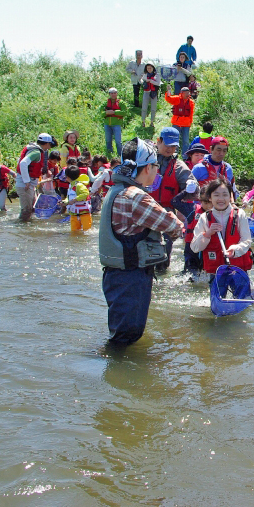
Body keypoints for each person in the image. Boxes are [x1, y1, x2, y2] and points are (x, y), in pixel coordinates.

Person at [99, 138, 183, 345]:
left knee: (122, 333)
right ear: (147, 168)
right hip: (131, 277)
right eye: (156, 166)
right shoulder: (135, 196)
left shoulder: (115, 189)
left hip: (116, 275)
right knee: (126, 336)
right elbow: (174, 227)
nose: (157, 171)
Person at [152, 127, 197, 269]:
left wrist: (191, 186)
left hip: (167, 212)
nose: (170, 149)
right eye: (167, 145)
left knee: (164, 254)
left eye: (173, 146)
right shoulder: (146, 160)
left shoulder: (179, 166)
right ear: (158, 141)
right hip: (144, 207)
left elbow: (196, 190)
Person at [190, 178, 254, 278]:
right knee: (217, 294)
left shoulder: (239, 214)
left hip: (238, 268)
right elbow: (195, 247)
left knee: (243, 294)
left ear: (230, 197)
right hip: (215, 270)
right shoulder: (204, 218)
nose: (221, 199)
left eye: (225, 195)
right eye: (216, 195)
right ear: (210, 198)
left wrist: (235, 250)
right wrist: (207, 234)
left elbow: (246, 241)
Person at [15, 133, 58, 222]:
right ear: (46, 143)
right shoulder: (36, 152)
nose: (49, 148)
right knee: (26, 211)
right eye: (49, 145)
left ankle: (27, 227)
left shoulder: (34, 149)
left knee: (33, 208)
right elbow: (23, 163)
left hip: (29, 183)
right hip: (25, 184)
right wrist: (26, 181)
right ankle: (21, 230)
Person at [182, 190, 209, 276]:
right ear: (200, 200)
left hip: (206, 245)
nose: (208, 205)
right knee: (190, 271)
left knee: (205, 270)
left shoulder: (217, 213)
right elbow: (175, 202)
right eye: (205, 202)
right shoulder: (192, 209)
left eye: (210, 202)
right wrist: (187, 190)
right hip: (190, 244)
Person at [163, 86, 195, 154]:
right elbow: (168, 98)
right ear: (182, 93)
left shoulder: (191, 102)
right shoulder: (177, 99)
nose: (187, 94)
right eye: (186, 93)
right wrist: (168, 91)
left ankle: (185, 155)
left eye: (188, 93)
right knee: (174, 139)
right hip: (176, 123)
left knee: (186, 141)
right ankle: (174, 153)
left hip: (186, 124)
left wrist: (190, 123)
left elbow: (191, 114)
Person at [61, 165, 93, 233]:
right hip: (73, 214)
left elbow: (85, 193)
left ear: (68, 177)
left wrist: (74, 200)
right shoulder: (70, 185)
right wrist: (64, 202)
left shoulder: (79, 185)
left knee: (87, 232)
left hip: (84, 214)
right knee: (74, 233)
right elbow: (69, 197)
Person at [100, 88, 126, 157]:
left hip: (116, 124)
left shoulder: (121, 103)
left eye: (115, 93)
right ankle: (109, 154)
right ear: (109, 94)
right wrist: (106, 112)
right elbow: (101, 113)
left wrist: (114, 112)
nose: (113, 94)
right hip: (107, 124)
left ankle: (120, 155)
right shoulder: (105, 103)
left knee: (118, 141)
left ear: (117, 94)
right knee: (108, 141)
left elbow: (124, 113)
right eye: (112, 93)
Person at [139, 63, 160, 128]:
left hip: (153, 93)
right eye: (148, 68)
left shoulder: (157, 75)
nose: (149, 69)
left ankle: (152, 122)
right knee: (144, 108)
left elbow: (158, 83)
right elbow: (141, 81)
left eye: (150, 68)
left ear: (153, 68)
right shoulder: (145, 75)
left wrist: (150, 81)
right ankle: (143, 121)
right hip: (146, 92)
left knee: (153, 108)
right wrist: (143, 81)